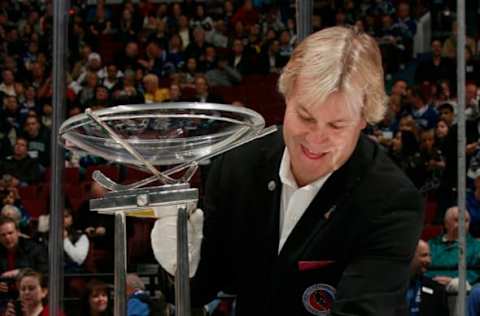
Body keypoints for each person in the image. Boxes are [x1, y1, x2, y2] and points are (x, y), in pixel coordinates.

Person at [151, 26, 423, 315]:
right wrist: (179, 264)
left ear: (364, 117)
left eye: (336, 125)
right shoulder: (237, 167)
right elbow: (201, 288)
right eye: (305, 116)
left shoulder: (391, 201)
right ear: (287, 95)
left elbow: (362, 310)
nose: (316, 138)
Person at [426, 206, 480, 289]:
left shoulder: (477, 246)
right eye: (456, 220)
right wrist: (433, 279)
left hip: (460, 286)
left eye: (466, 221)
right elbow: (422, 268)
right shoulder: (431, 244)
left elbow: (476, 272)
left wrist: (452, 280)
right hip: (431, 284)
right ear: (446, 224)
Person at [406, 240, 449, 316]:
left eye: (430, 256)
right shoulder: (391, 287)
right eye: (424, 255)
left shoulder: (437, 289)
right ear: (410, 255)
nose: (429, 260)